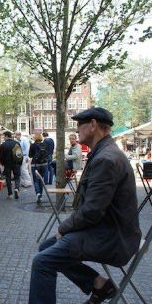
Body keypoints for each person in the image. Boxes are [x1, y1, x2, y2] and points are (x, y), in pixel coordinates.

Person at [29, 107, 141, 304]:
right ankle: (98, 283)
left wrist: (64, 228)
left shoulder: (106, 158)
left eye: (80, 124)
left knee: (43, 261)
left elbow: (92, 211)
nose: (77, 128)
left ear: (93, 125)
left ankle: (98, 284)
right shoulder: (104, 152)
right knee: (46, 247)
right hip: (106, 230)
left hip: (113, 237)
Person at [0, 131, 22, 199]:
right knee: (17, 177)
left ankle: (10, 194)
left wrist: (3, 163)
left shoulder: (3, 145)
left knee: (8, 178)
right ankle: (16, 188)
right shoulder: (16, 143)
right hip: (16, 163)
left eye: (4, 136)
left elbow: (1, 156)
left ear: (6, 136)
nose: (3, 138)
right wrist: (20, 163)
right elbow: (20, 154)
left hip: (7, 164)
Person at [29, 134, 48, 204]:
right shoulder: (44, 145)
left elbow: (30, 155)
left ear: (34, 138)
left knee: (36, 180)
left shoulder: (32, 145)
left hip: (35, 165)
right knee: (41, 180)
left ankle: (38, 194)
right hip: (44, 164)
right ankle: (41, 196)